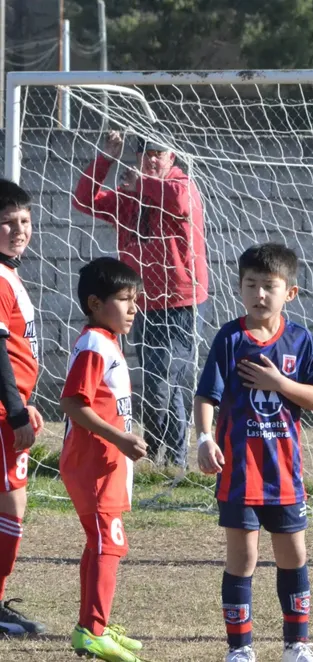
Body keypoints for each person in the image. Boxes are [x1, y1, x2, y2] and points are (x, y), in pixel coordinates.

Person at [195, 243, 313, 662]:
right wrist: (204, 439)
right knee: (244, 557)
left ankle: (297, 645)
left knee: (294, 554)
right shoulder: (230, 338)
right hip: (240, 472)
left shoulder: (300, 340)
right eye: (250, 284)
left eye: (268, 286)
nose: (258, 294)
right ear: (239, 288)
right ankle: (240, 649)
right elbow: (206, 396)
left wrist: (280, 384)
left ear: (289, 292)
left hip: (284, 473)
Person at [73, 131, 209, 470]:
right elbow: (83, 199)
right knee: (162, 383)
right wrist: (105, 157)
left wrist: (141, 185)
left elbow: (178, 202)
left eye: (158, 153)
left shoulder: (181, 186)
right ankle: (171, 461)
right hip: (141, 305)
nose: (150, 159)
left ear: (171, 158)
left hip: (180, 303)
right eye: (144, 153)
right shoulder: (129, 198)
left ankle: (160, 455)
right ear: (135, 156)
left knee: (162, 383)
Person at [60, 257, 148, 662]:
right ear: (95, 303)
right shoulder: (95, 343)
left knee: (101, 543)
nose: (133, 309)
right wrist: (118, 437)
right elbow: (73, 403)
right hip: (95, 463)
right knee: (109, 543)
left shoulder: (105, 340)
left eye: (135, 300)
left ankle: (93, 624)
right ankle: (92, 632)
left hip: (106, 462)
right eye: (125, 300)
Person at [0, 179, 45, 636]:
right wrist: (15, 412)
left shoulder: (9, 273)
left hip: (10, 408)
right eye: (7, 223)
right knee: (11, 509)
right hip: (1, 416)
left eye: (25, 221)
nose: (19, 230)